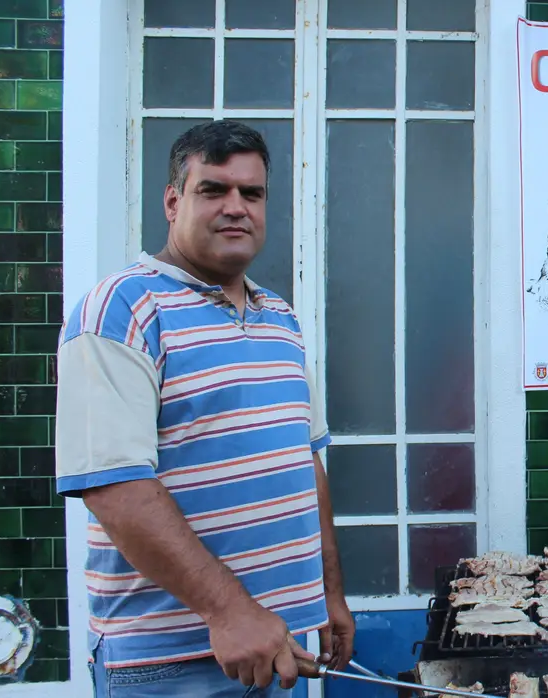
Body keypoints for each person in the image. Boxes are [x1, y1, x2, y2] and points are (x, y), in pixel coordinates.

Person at [55, 121, 355, 697]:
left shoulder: (281, 319)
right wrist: (230, 612)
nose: (236, 207)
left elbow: (306, 462)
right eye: (213, 190)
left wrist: (328, 591)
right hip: (171, 668)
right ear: (173, 201)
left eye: (252, 193)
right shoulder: (122, 310)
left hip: (279, 650)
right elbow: (117, 489)